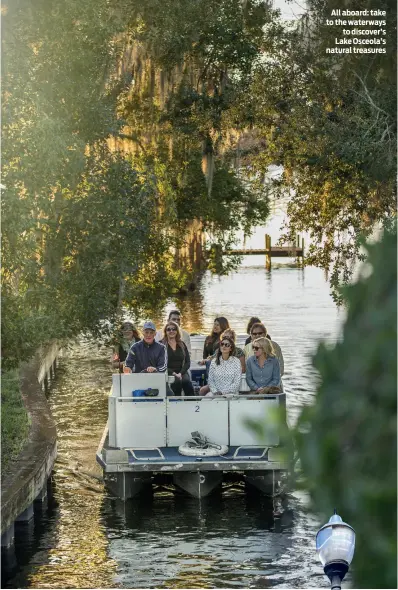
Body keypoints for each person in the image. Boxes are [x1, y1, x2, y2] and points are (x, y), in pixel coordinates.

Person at [199, 328, 245, 395]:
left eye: (227, 344)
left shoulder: (237, 357)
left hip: (230, 389)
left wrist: (222, 392)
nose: (224, 346)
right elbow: (211, 380)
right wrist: (215, 392)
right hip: (217, 388)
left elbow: (238, 379)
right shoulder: (216, 358)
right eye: (222, 343)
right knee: (204, 393)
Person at [160, 321, 194, 396]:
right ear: (165, 332)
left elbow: (187, 362)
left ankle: (192, 403)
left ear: (177, 331)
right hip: (168, 371)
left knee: (187, 382)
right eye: (169, 329)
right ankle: (176, 402)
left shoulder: (182, 344)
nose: (171, 331)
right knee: (176, 382)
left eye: (174, 329)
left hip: (181, 371)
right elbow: (160, 364)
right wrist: (174, 373)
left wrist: (181, 373)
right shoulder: (161, 345)